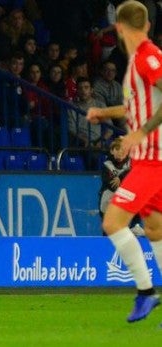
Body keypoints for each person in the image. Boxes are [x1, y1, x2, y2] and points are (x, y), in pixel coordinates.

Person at [86, 0, 162, 323]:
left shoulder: (148, 57)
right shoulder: (135, 62)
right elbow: (134, 109)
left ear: (118, 27)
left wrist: (139, 134)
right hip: (150, 160)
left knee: (113, 223)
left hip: (152, 161)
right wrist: (103, 112)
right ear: (145, 25)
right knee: (156, 230)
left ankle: (145, 293)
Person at [99, 137, 145, 237]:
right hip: (108, 200)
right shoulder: (107, 165)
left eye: (123, 151)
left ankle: (135, 227)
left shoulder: (130, 163)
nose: (120, 153)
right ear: (112, 151)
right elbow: (111, 185)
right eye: (117, 150)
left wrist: (120, 177)